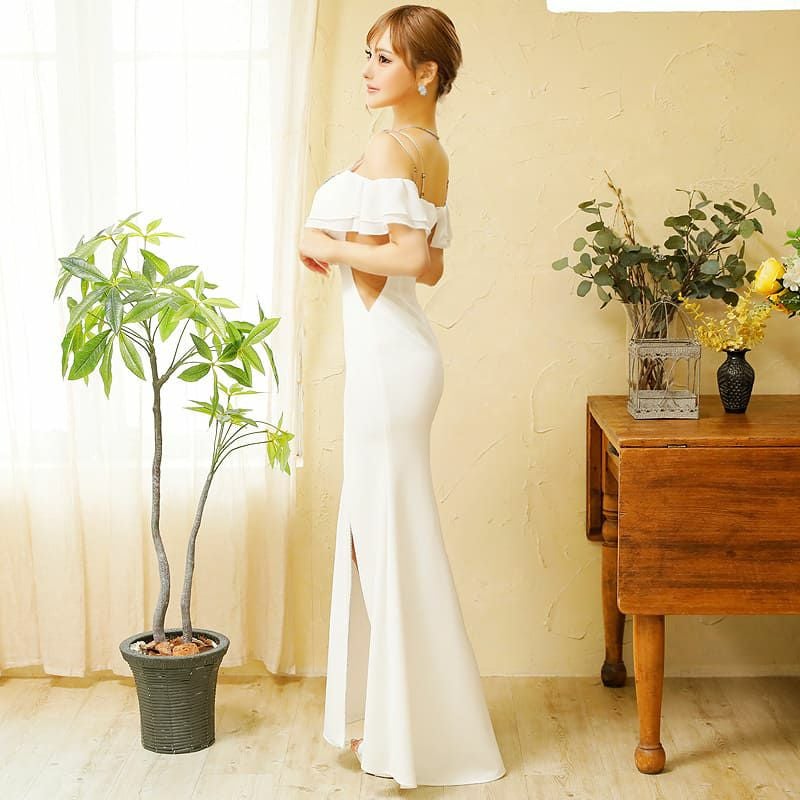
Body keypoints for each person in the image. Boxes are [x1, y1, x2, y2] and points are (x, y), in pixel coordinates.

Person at [298, 4, 506, 789]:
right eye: (368, 54)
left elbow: (413, 257)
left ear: (426, 73)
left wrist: (323, 243)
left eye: (384, 58)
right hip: (397, 353)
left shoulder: (392, 146)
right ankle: (404, 723)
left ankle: (416, 733)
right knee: (383, 537)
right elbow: (430, 266)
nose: (368, 69)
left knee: (386, 539)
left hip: (390, 360)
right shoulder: (429, 149)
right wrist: (347, 250)